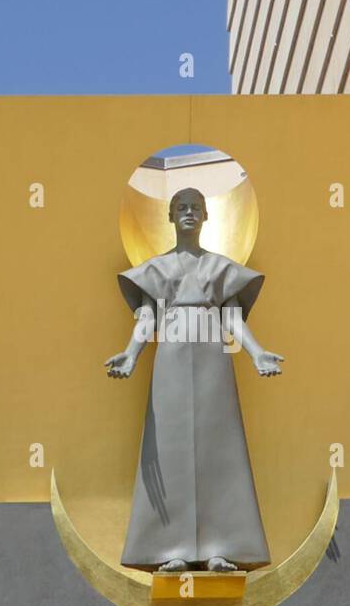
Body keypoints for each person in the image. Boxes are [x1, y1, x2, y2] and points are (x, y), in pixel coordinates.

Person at [104, 187, 284, 573]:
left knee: (219, 449)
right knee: (169, 450)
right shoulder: (156, 270)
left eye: (196, 207)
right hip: (169, 364)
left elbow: (232, 319)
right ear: (169, 217)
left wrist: (256, 353)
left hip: (213, 364)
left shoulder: (219, 269)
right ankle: (172, 549)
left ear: (206, 217)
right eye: (181, 207)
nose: (188, 212)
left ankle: (222, 547)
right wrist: (131, 355)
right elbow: (147, 319)